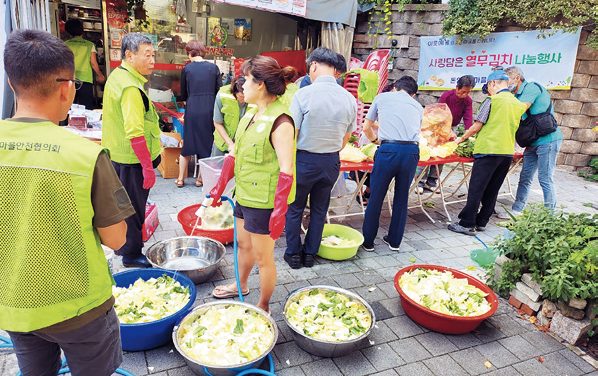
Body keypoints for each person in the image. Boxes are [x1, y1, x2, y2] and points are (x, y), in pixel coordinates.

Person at [0, 29, 133, 375]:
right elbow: (117, 239)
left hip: (15, 304)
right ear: (67, 88)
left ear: (12, 84)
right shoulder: (84, 155)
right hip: (81, 309)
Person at [209, 56, 297, 313]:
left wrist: (279, 211)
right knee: (243, 244)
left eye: (245, 80)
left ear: (260, 84)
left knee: (263, 257)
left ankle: (264, 305)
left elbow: (286, 169)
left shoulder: (281, 122)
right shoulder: (250, 112)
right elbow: (235, 152)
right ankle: (241, 285)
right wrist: (220, 186)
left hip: (264, 202)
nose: (241, 85)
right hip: (244, 195)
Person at [284, 47, 357, 269]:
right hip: (331, 162)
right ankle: (310, 254)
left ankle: (294, 254)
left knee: (295, 208)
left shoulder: (303, 94)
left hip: (304, 160)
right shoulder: (348, 98)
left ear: (313, 65)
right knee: (319, 209)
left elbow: (292, 132)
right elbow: (347, 136)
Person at [102, 33, 162, 267]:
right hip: (131, 160)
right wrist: (147, 168)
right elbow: (135, 132)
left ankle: (123, 248)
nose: (152, 61)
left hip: (118, 156)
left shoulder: (119, 76)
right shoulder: (129, 87)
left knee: (123, 204)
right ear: (129, 55)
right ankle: (132, 255)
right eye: (147, 55)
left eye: (153, 55)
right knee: (134, 209)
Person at [448, 70, 527, 235]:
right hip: (506, 153)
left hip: (488, 150)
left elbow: (477, 125)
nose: (488, 91)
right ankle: (482, 221)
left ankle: (467, 223)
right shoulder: (517, 104)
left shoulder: (492, 100)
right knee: (493, 189)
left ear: (492, 83)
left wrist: (460, 139)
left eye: (488, 87)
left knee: (477, 188)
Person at [361, 76, 423, 252]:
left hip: (388, 149)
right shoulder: (418, 106)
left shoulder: (382, 97)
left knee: (376, 196)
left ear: (395, 87)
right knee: (402, 197)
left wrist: (375, 142)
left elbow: (367, 127)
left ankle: (368, 242)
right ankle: (395, 242)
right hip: (412, 151)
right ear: (413, 94)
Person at [497, 66, 563, 218]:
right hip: (532, 141)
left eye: (507, 82)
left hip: (548, 140)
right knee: (525, 177)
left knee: (545, 178)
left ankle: (550, 217)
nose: (506, 86)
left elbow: (518, 110)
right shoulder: (514, 96)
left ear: (517, 79)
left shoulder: (532, 88)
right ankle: (517, 210)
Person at [176, 40, 222, 187]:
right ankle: (200, 180)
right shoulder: (214, 68)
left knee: (188, 143)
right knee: (206, 144)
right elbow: (219, 90)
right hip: (209, 107)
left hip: (193, 107)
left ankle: (180, 179)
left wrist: (188, 104)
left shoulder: (187, 69)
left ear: (190, 52)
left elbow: (183, 94)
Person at [418, 75, 475, 192]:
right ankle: (419, 182)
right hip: (436, 126)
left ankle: (432, 182)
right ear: (456, 87)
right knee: (429, 154)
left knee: (442, 154)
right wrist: (448, 130)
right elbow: (440, 116)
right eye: (463, 92)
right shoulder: (446, 96)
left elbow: (468, 119)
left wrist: (468, 134)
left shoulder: (468, 101)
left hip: (451, 127)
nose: (464, 95)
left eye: (468, 92)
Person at [64, 19, 105, 109]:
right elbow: (93, 63)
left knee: (70, 107)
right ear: (82, 29)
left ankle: (70, 123)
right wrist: (100, 75)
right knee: (86, 108)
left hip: (69, 79)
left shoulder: (65, 45)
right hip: (85, 80)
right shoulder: (89, 45)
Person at [211, 75, 249, 157]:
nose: (245, 99)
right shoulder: (222, 94)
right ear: (234, 92)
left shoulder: (255, 97)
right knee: (217, 168)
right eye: (241, 96)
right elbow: (217, 122)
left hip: (245, 147)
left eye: (246, 96)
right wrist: (230, 144)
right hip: (222, 143)